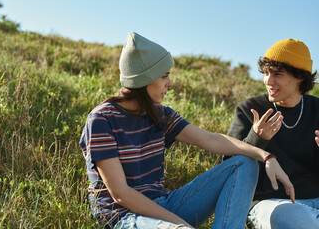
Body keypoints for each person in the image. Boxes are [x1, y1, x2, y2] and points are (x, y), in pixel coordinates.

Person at [80, 32, 294, 229]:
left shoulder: (160, 114)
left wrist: (265, 155)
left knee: (246, 162)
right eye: (164, 76)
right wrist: (180, 224)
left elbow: (210, 140)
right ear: (144, 79)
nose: (170, 84)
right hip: (123, 217)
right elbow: (121, 194)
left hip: (164, 206)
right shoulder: (101, 120)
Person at [226, 38, 319, 229]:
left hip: (316, 201)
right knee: (293, 219)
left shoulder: (317, 109)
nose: (268, 81)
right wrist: (256, 139)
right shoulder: (250, 110)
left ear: (300, 77)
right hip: (271, 205)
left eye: (277, 74)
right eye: (266, 73)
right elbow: (229, 167)